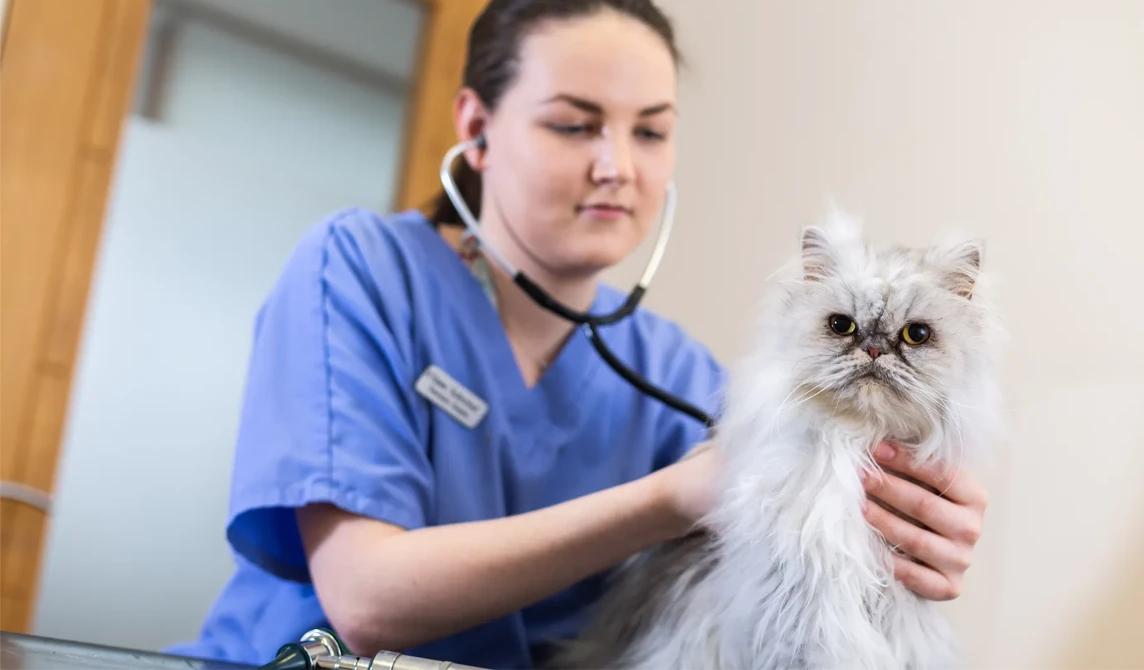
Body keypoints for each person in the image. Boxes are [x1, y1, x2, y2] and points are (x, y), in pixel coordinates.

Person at [166, 1, 990, 668]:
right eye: (573, 124)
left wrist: (905, 537)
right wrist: (672, 497)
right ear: (476, 130)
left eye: (650, 131)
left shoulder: (675, 371)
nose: (617, 167)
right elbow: (368, 601)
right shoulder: (360, 271)